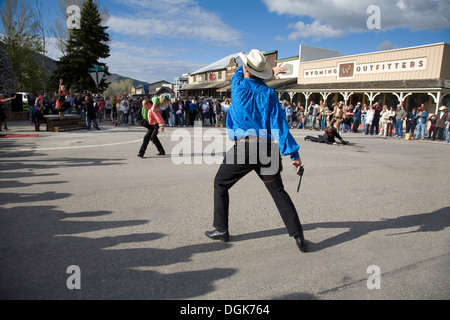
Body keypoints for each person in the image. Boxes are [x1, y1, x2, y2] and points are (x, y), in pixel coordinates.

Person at [205, 49, 307, 253]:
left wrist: (265, 71)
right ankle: (298, 237)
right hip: (267, 149)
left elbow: (238, 71)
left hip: (245, 147)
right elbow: (279, 125)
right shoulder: (269, 93)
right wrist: (293, 154)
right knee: (278, 192)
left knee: (220, 184)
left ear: (245, 69)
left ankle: (221, 230)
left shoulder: (238, 86)